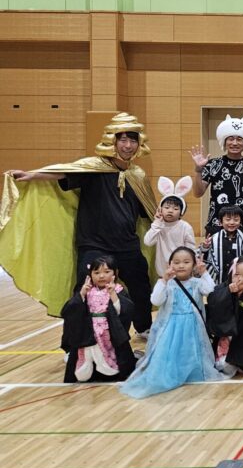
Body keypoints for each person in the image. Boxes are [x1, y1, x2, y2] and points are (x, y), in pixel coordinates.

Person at [2, 113, 158, 329]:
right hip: (94, 244)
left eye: (133, 141)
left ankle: (144, 327)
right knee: (84, 289)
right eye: (123, 140)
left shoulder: (137, 175)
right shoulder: (93, 169)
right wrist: (32, 175)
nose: (128, 146)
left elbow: (148, 213)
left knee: (141, 287)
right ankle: (78, 336)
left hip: (127, 244)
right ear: (113, 142)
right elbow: (63, 173)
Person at [120, 247, 225, 398]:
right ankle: (172, 373)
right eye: (176, 262)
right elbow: (156, 300)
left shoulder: (197, 283)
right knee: (171, 350)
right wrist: (163, 280)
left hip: (193, 325)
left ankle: (190, 372)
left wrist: (204, 273)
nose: (181, 265)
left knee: (190, 350)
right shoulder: (167, 284)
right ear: (170, 265)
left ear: (194, 264)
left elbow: (211, 291)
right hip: (170, 326)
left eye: (186, 262)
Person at [190, 114, 243, 234]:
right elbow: (197, 193)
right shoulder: (213, 164)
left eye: (239, 139)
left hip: (242, 222)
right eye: (230, 139)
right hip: (216, 222)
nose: (235, 143)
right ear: (224, 142)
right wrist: (198, 171)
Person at [60, 255, 136, 383]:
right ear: (90, 275)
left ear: (115, 273)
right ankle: (87, 372)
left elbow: (125, 311)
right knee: (86, 356)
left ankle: (110, 371)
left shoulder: (118, 290)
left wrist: (113, 295)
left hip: (108, 332)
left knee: (109, 358)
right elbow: (70, 311)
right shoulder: (86, 291)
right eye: (96, 272)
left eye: (106, 272)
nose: (101, 276)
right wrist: (82, 294)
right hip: (89, 331)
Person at [206, 252, 243, 377]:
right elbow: (213, 304)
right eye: (237, 274)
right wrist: (228, 293)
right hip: (227, 336)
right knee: (224, 366)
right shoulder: (222, 288)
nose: (240, 279)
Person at [143, 176, 196, 277]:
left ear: (181, 212)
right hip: (163, 272)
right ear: (160, 209)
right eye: (166, 207)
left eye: (175, 209)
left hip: (181, 272)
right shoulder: (158, 226)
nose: (170, 211)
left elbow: (191, 249)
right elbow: (148, 242)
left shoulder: (185, 227)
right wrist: (157, 223)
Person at [203, 205, 243, 285]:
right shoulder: (214, 238)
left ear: (240, 222)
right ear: (220, 222)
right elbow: (204, 257)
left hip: (236, 276)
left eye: (236, 220)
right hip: (217, 277)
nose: (232, 222)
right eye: (228, 219)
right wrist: (205, 247)